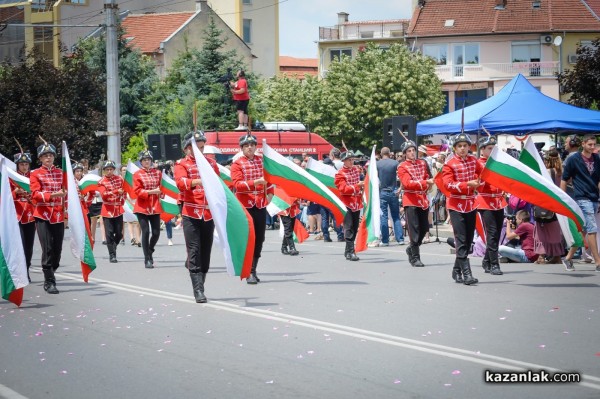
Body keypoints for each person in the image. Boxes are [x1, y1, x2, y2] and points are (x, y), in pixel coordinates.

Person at [174, 131, 220, 303]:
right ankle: (198, 290)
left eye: (202, 147)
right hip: (191, 214)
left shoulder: (212, 164)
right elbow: (180, 183)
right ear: (187, 149)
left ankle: (202, 282)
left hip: (208, 214)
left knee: (205, 253)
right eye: (196, 148)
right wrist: (198, 181)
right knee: (194, 251)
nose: (200, 151)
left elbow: (218, 185)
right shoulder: (181, 164)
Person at [438, 133, 483, 285]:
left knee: (469, 240)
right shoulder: (449, 164)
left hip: (471, 204)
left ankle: (456, 270)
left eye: (465, 146)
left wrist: (480, 181)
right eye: (460, 146)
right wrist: (467, 185)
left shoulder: (473, 160)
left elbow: (483, 173)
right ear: (455, 148)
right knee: (461, 239)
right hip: (456, 205)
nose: (463, 149)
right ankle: (467, 274)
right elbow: (448, 185)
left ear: (469, 147)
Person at [231, 132, 274, 283]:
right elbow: (237, 185)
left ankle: (253, 269)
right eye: (246, 145)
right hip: (245, 207)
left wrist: (270, 193)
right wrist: (255, 183)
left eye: (252, 145)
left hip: (260, 205)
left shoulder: (263, 162)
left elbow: (269, 181)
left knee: (260, 239)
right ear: (242, 148)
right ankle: (247, 270)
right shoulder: (237, 164)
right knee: (248, 239)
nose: (250, 147)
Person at [560, 134, 600, 272]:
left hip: (595, 198)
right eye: (590, 144)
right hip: (582, 198)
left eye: (594, 145)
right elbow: (564, 179)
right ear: (583, 144)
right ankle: (598, 262)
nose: (593, 147)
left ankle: (568, 258)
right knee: (592, 229)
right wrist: (563, 199)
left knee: (583, 230)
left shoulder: (597, 159)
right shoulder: (574, 159)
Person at [30, 141, 65, 294]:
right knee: (48, 248)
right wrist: (52, 195)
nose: (48, 158)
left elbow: (67, 192)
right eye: (45, 156)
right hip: (42, 214)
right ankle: (49, 281)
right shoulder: (35, 173)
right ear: (40, 159)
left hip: (58, 214)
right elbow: (35, 195)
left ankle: (52, 268)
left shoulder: (60, 173)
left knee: (57, 249)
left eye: (50, 155)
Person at [397, 140, 433, 267]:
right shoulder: (402, 166)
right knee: (414, 229)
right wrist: (425, 182)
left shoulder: (422, 163)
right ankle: (415, 257)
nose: (412, 153)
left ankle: (411, 248)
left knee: (424, 228)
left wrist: (429, 183)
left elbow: (427, 175)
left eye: (413, 150)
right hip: (411, 200)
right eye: (409, 151)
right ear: (405, 153)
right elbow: (407, 183)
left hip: (422, 199)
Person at [476, 136, 507, 275]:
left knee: (497, 234)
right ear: (482, 150)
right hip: (485, 202)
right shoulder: (478, 164)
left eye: (494, 147)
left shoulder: (498, 163)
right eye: (489, 148)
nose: (493, 150)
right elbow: (479, 185)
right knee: (492, 233)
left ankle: (487, 260)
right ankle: (495, 264)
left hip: (499, 201)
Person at [133, 150, 163, 269]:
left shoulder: (158, 173)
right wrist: (151, 192)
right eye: (145, 160)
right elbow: (137, 191)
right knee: (145, 232)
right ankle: (147, 259)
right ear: (141, 162)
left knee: (156, 232)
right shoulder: (137, 174)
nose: (147, 162)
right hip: (142, 207)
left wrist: (162, 193)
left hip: (155, 205)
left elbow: (162, 187)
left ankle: (150, 250)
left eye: (149, 160)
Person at [334, 151, 364, 261]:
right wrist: (357, 186)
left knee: (355, 227)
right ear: (344, 161)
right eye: (349, 160)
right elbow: (343, 189)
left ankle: (347, 251)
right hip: (346, 203)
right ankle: (351, 251)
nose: (352, 161)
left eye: (352, 159)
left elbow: (359, 182)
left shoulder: (356, 170)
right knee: (349, 227)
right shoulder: (340, 174)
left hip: (356, 202)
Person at [11, 152, 35, 282]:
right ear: (17, 165)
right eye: (21, 164)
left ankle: (26, 269)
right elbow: (5, 195)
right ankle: (18, 271)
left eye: (26, 164)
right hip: (17, 214)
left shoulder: (33, 177)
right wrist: (15, 191)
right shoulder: (11, 178)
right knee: (19, 244)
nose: (24, 167)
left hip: (31, 214)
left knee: (29, 246)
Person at [98, 160, 125, 264]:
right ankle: (112, 255)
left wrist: (122, 198)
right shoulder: (101, 182)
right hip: (107, 209)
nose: (109, 171)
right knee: (109, 233)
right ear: (104, 171)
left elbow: (124, 191)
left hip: (118, 209)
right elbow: (104, 194)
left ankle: (113, 246)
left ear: (114, 169)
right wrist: (115, 191)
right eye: (107, 169)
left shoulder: (119, 179)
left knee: (119, 233)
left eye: (111, 169)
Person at [377, 147, 404, 246]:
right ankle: (400, 238)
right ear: (389, 153)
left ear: (381, 153)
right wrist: (400, 188)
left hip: (382, 192)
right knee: (396, 216)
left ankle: (385, 240)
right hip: (394, 191)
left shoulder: (378, 164)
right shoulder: (395, 163)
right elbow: (401, 176)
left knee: (383, 216)